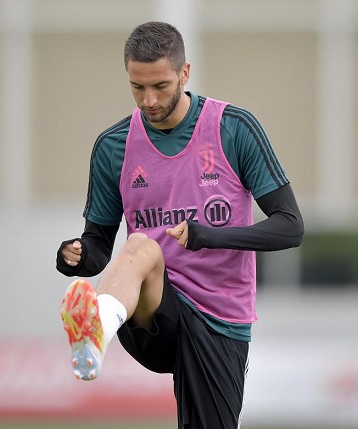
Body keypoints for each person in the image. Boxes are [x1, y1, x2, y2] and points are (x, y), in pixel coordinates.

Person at [56, 21, 304, 428]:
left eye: (161, 86)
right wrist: (75, 257)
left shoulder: (233, 128)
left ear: (185, 74)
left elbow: (291, 227)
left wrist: (208, 237)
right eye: (137, 87)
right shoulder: (112, 147)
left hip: (219, 317)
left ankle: (99, 324)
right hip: (153, 312)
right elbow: (98, 245)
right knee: (139, 246)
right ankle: (96, 329)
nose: (149, 100)